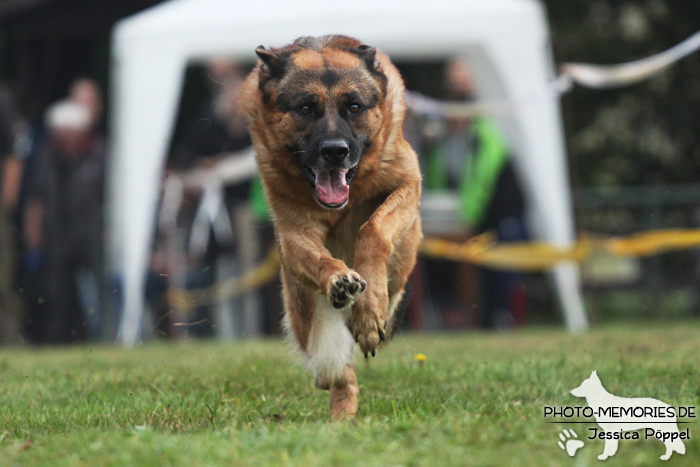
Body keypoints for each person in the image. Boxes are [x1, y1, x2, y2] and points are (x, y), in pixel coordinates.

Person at [421, 58, 528, 329]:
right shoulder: (445, 142)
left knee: (496, 265)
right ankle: (454, 315)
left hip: (499, 217)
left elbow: (479, 185)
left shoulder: (486, 136)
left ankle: (500, 317)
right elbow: (438, 181)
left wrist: (465, 222)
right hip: (466, 222)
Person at [24, 99, 105, 343]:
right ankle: (57, 342)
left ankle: (99, 339)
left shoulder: (100, 156)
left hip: (91, 236)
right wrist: (33, 237)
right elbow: (35, 199)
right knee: (56, 296)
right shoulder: (46, 159)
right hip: (56, 238)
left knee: (96, 295)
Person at [0, 85, 25, 345]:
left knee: (3, 280)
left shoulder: (3, 100)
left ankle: (9, 340)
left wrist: (7, 205)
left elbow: (12, 157)